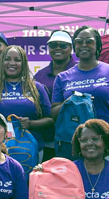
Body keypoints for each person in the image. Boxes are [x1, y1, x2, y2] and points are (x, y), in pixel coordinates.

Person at [52, 26, 109, 164]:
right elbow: (53, 114)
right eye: (79, 42)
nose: (84, 45)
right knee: (78, 184)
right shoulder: (62, 77)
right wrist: (71, 102)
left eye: (89, 41)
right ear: (74, 47)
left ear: (97, 46)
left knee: (108, 183)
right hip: (76, 143)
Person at [0, 45, 53, 151]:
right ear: (2, 62)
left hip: (30, 149)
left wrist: (31, 124)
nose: (12, 63)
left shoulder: (36, 87)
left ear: (24, 64)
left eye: (17, 60)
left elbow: (50, 120)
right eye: (7, 59)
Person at [34, 30, 74, 161]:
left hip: (75, 138)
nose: (58, 48)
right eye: (53, 45)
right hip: (47, 139)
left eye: (63, 45)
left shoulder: (80, 72)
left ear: (71, 48)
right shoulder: (40, 76)